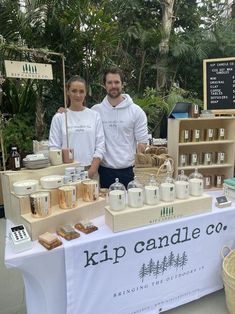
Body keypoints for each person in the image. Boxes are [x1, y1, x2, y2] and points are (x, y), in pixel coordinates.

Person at [92, 67, 149, 188]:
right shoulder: (95, 111)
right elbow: (79, 119)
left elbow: (143, 142)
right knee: (105, 206)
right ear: (104, 85)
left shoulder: (136, 111)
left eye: (117, 82)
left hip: (129, 172)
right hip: (104, 171)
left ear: (122, 84)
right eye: (109, 82)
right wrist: (66, 113)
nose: (113, 85)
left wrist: (138, 164)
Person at [49, 75, 105, 179]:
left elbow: (100, 145)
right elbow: (54, 147)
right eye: (74, 91)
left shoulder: (94, 115)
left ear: (86, 93)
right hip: (66, 173)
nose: (78, 95)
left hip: (90, 171)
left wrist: (92, 171)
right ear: (67, 92)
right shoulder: (59, 117)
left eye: (81, 91)